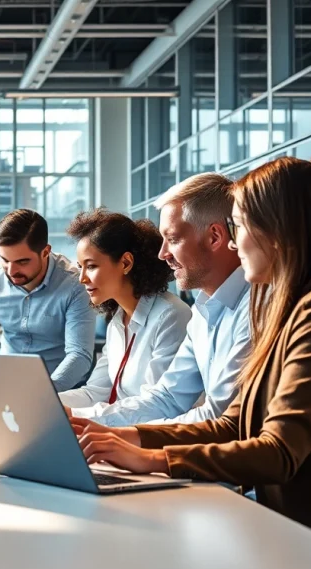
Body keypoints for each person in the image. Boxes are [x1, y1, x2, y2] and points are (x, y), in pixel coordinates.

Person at [74, 143, 311, 547]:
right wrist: (124, 438)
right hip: (287, 521)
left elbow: (278, 450)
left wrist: (149, 457)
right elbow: (234, 423)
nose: (233, 243)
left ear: (278, 233)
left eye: (240, 228)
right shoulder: (287, 307)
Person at [69, 173, 251, 425]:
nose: (163, 253)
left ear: (215, 237)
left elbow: (218, 417)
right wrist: (71, 416)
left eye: (173, 239)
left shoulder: (249, 308)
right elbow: (166, 397)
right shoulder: (201, 312)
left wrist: (122, 437)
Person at [58, 209, 191, 409]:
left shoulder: (171, 316)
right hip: (120, 428)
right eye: (80, 267)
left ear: (126, 263)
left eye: (91, 266)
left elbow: (157, 405)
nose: (81, 278)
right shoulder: (118, 322)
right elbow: (96, 392)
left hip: (155, 433)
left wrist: (84, 418)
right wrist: (45, 404)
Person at [0, 209, 95, 390]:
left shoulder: (75, 284)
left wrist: (43, 393)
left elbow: (79, 355)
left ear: (45, 252)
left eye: (22, 261)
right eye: (4, 260)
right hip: (5, 386)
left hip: (59, 390)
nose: (11, 271)